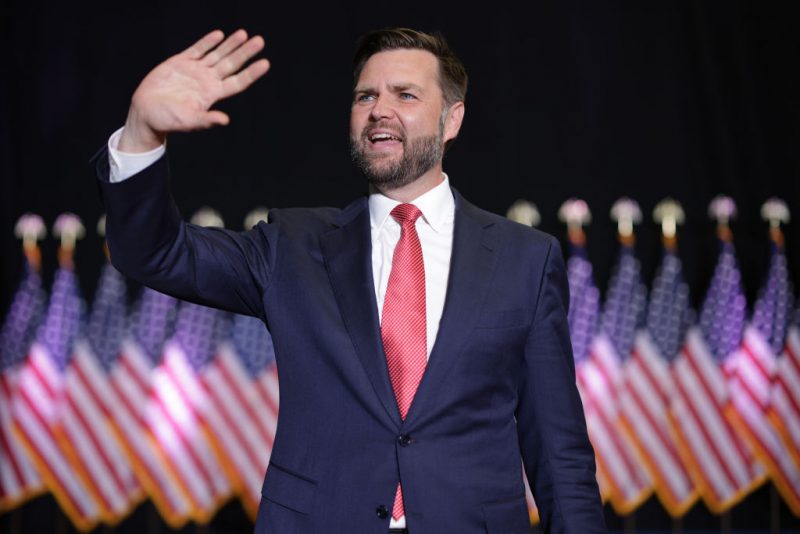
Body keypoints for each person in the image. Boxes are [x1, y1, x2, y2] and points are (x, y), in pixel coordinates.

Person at [94, 27, 605, 533]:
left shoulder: (525, 259)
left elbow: (559, 455)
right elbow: (154, 254)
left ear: (452, 119)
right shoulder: (293, 246)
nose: (380, 110)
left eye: (405, 95)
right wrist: (142, 132)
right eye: (366, 96)